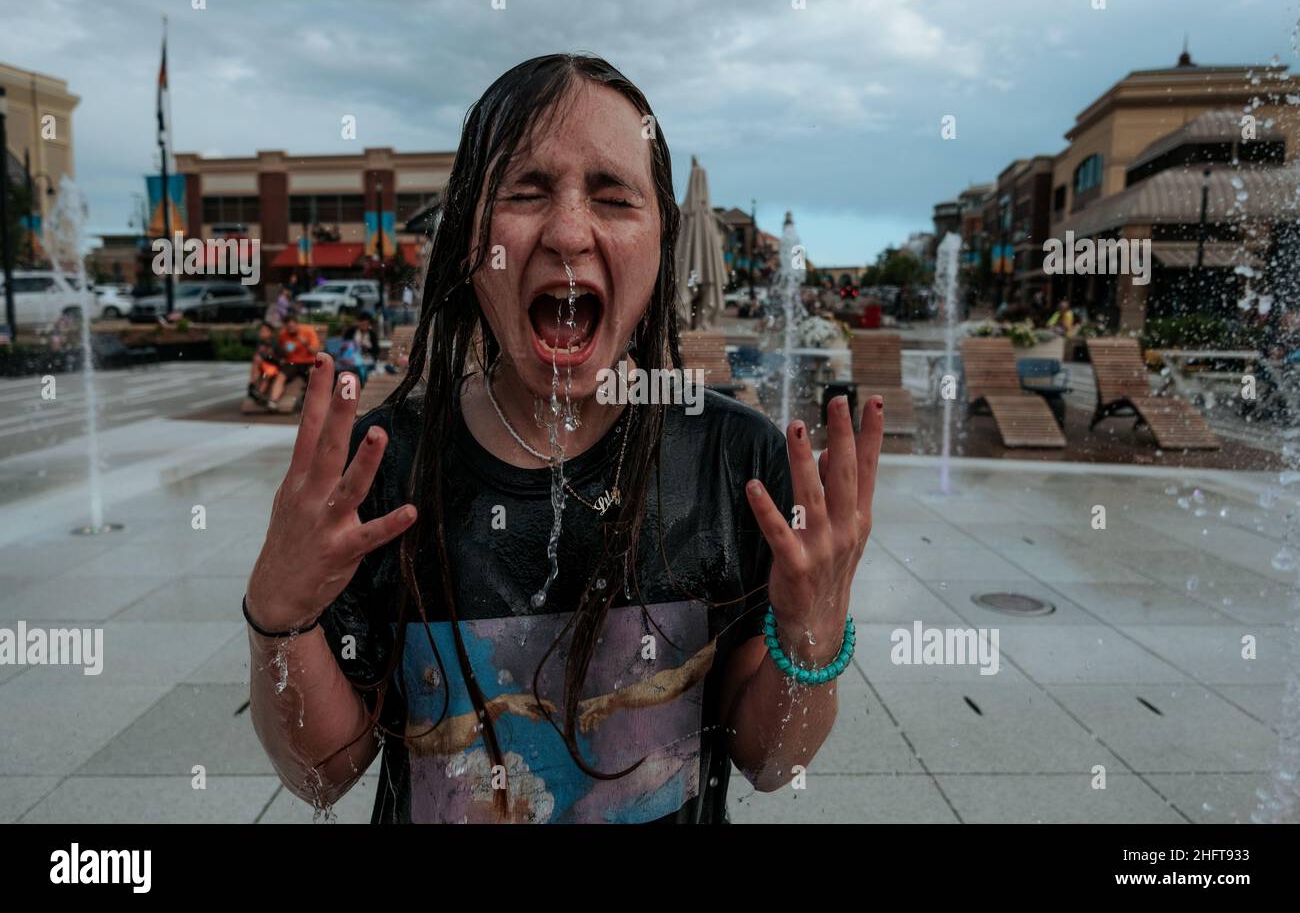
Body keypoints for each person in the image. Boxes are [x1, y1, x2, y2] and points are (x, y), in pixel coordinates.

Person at [245, 53, 883, 824]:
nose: (569, 233)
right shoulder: (380, 471)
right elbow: (322, 778)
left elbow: (770, 761)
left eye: (615, 198)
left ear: (660, 245)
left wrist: (812, 640)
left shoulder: (735, 467)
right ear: (470, 246)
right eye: (524, 192)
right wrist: (279, 619)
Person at [267, 312, 320, 409]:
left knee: (313, 373)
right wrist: (284, 352)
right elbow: (281, 353)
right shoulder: (283, 334)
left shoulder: (308, 331)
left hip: (308, 361)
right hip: (292, 362)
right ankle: (273, 401)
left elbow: (316, 351)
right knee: (280, 376)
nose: (291, 329)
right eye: (288, 327)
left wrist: (306, 343)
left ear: (297, 324)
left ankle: (308, 400)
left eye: (293, 326)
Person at [337, 310, 379, 385]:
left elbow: (376, 350)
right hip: (351, 358)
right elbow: (344, 345)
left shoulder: (372, 334)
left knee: (361, 367)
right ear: (358, 323)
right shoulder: (351, 332)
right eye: (362, 323)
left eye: (366, 323)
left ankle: (361, 384)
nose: (364, 325)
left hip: (367, 358)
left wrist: (367, 349)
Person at [247, 321, 282, 408]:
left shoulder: (274, 344)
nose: (262, 333)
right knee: (257, 359)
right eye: (261, 331)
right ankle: (253, 385)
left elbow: (279, 358)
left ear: (271, 333)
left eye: (265, 331)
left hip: (273, 367)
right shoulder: (260, 343)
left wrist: (271, 354)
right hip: (262, 366)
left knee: (266, 375)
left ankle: (258, 392)